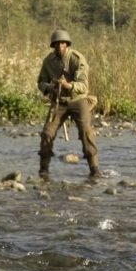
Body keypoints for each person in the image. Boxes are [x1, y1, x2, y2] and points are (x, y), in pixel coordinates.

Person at [36, 29, 102, 179]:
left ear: (67, 44)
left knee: (86, 132)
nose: (60, 46)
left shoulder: (77, 59)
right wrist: (49, 87)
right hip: (58, 102)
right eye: (57, 44)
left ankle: (94, 169)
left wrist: (68, 85)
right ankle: (43, 169)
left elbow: (83, 86)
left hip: (77, 100)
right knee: (47, 133)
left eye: (63, 43)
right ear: (53, 45)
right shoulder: (48, 61)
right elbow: (40, 82)